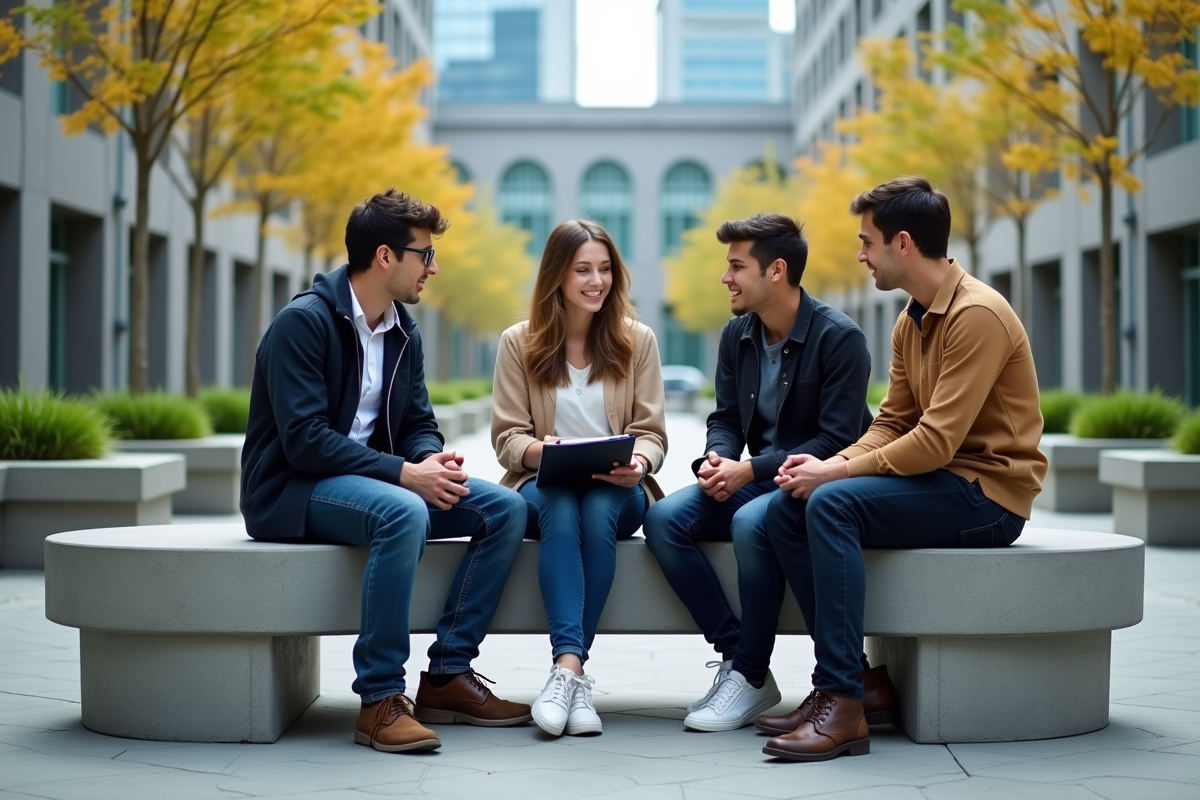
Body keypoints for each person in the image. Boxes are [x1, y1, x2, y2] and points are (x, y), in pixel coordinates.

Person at [758, 176, 1047, 763]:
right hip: (941, 481)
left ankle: (843, 708)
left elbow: (937, 442)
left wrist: (835, 480)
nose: (861, 255)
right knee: (788, 508)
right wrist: (827, 462)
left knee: (832, 503)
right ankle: (856, 683)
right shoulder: (911, 318)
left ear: (904, 244)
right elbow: (892, 422)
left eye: (868, 242)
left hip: (987, 495)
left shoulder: (977, 315)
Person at [240, 188, 531, 755]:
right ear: (384, 257)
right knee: (401, 512)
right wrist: (404, 475)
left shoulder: (402, 330)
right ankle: (379, 699)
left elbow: (419, 420)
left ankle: (447, 676)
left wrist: (427, 460)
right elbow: (305, 444)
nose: (433, 267)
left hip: (371, 482)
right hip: (292, 490)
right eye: (424, 254)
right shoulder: (303, 324)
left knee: (506, 508)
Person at [642, 213, 876, 732]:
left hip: (810, 483)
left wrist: (751, 469)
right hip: (751, 475)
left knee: (753, 525)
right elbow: (725, 417)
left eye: (736, 266)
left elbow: (837, 440)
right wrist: (717, 459)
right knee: (662, 521)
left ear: (776, 271)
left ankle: (748, 674)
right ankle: (738, 658)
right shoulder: (737, 335)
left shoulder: (840, 339)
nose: (726, 278)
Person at [491, 219, 668, 738]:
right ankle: (575, 674)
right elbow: (507, 438)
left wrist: (640, 463)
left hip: (617, 490)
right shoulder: (517, 343)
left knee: (593, 506)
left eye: (606, 269)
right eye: (583, 270)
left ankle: (564, 674)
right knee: (563, 505)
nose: (597, 281)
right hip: (543, 486)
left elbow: (651, 432)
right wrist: (544, 451)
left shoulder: (638, 341)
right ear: (557, 277)